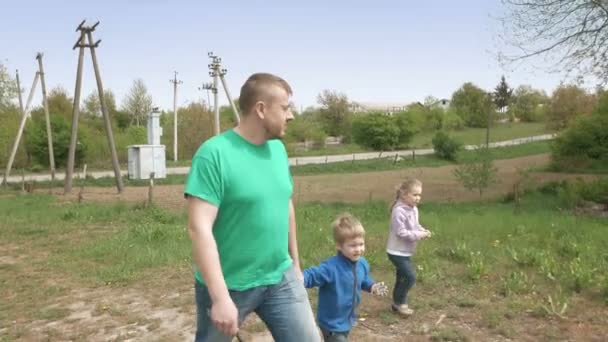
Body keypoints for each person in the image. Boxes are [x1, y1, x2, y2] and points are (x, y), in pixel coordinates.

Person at [185, 73, 320, 342]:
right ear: (261, 109)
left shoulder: (278, 151)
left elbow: (286, 205)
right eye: (284, 107)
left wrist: (295, 264)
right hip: (229, 284)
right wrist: (220, 297)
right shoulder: (214, 154)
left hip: (279, 277)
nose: (290, 115)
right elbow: (199, 228)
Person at [303, 213, 388, 342]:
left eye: (361, 244)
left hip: (347, 319)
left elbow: (362, 279)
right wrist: (298, 279)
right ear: (339, 246)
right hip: (330, 323)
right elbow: (312, 275)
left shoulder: (362, 263)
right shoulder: (331, 267)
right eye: (353, 245)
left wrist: (372, 286)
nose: (358, 249)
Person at [386, 179, 431, 316]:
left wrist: (423, 230)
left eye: (419, 195)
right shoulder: (399, 211)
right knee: (410, 277)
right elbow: (401, 232)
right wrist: (419, 235)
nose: (418, 198)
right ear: (404, 195)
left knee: (402, 277)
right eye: (415, 195)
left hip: (405, 251)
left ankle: (396, 303)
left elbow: (415, 226)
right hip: (395, 251)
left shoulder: (414, 209)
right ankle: (401, 303)